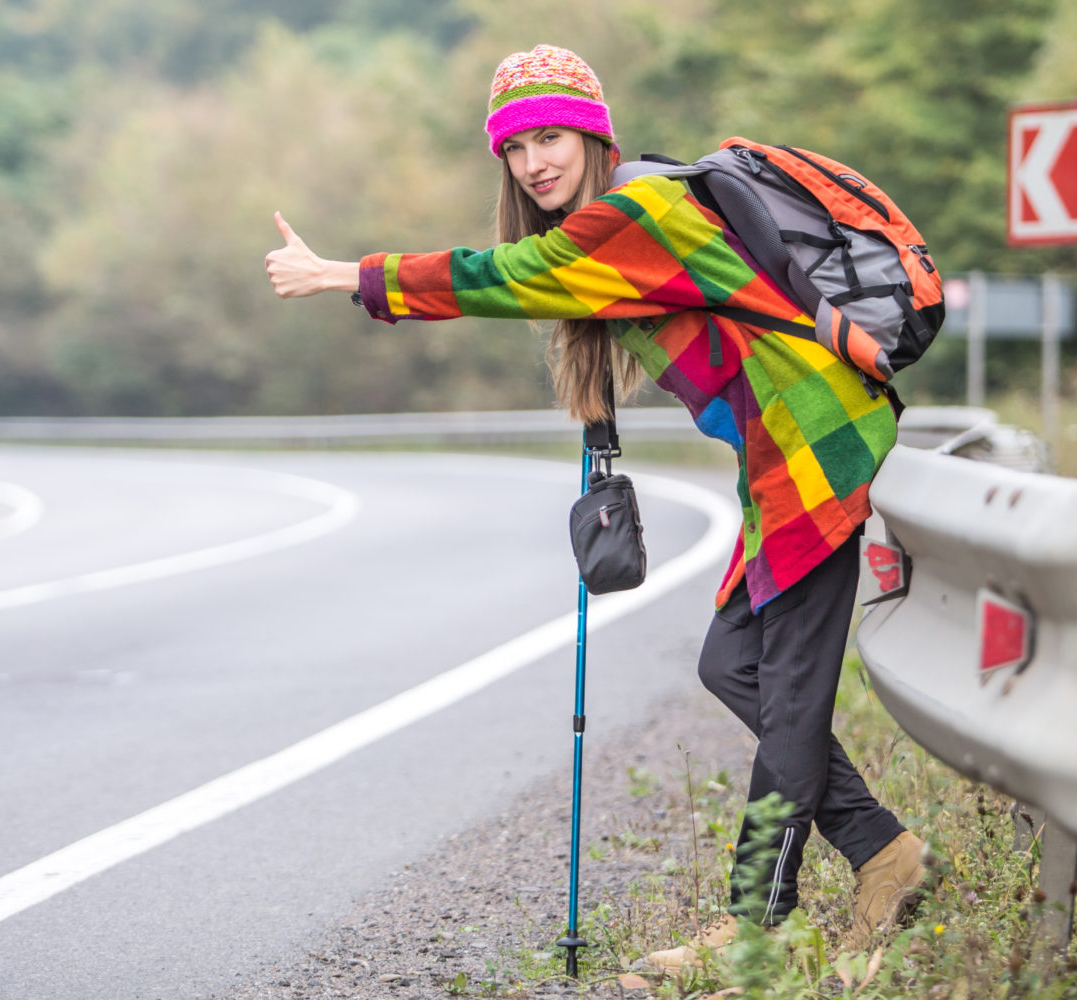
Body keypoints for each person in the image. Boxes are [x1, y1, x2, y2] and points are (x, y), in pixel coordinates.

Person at [264, 43, 929, 972]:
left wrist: (349, 275)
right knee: (733, 663)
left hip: (818, 444)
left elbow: (499, 278)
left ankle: (753, 930)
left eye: (552, 136)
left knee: (786, 689)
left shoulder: (638, 212)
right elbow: (545, 277)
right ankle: (886, 853)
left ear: (592, 135)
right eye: (516, 146)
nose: (536, 161)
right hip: (786, 454)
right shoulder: (611, 231)